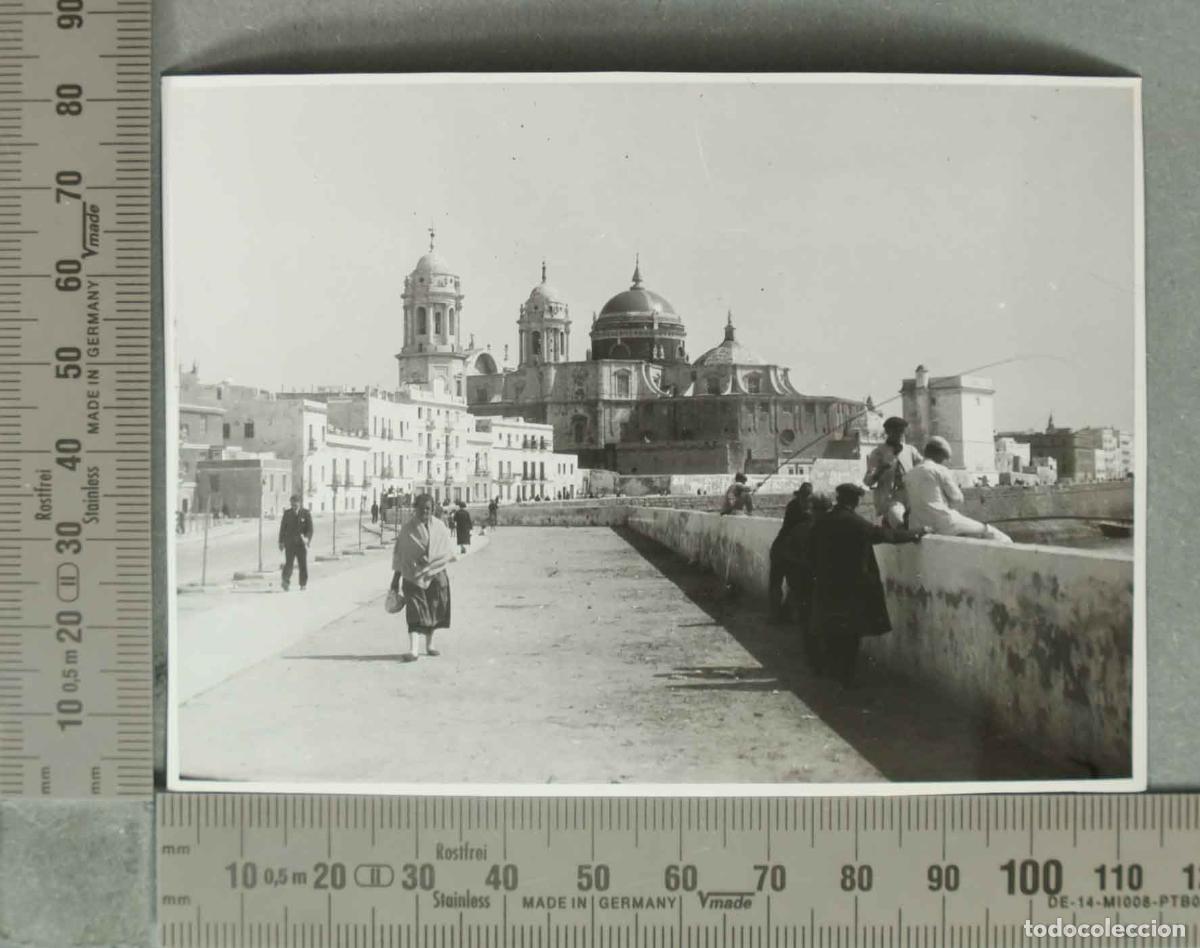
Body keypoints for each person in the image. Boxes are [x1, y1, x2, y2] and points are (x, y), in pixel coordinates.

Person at [806, 483, 926, 686]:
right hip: (851, 586)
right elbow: (885, 535)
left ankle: (831, 671)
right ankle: (845, 677)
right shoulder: (853, 521)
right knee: (850, 633)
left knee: (832, 630)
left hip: (827, 584)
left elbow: (810, 552)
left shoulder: (822, 521)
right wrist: (916, 532)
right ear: (854, 501)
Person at [905, 437, 1013, 543]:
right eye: (945, 458)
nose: (945, 462)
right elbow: (958, 499)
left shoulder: (909, 474)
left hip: (917, 526)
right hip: (944, 523)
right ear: (939, 455)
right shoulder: (939, 470)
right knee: (991, 532)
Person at [390, 493, 455, 662]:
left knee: (433, 609)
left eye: (428, 508)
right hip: (412, 576)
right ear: (415, 509)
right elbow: (400, 556)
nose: (425, 511)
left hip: (436, 574)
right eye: (421, 508)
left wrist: (431, 559)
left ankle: (430, 645)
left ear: (432, 509)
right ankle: (413, 650)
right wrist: (395, 581)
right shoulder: (407, 530)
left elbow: (446, 550)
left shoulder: (440, 526)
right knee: (414, 611)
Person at [778, 492, 832, 635]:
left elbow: (787, 552)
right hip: (808, 577)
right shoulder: (805, 529)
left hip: (808, 578)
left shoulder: (803, 528)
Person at [863, 417, 923, 528]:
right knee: (898, 521)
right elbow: (868, 481)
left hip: (910, 496)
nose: (900, 435)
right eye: (896, 431)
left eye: (902, 431)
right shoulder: (878, 452)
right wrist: (880, 470)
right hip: (890, 498)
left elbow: (923, 466)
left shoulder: (910, 450)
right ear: (888, 432)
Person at [767, 483, 814, 620]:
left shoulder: (795, 505)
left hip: (782, 548)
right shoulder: (802, 511)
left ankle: (778, 615)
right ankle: (780, 614)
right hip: (788, 551)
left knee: (781, 584)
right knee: (789, 584)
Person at [278, 494, 313, 591]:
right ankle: (285, 582)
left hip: (301, 544)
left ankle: (303, 583)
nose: (294, 506)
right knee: (289, 564)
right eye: (292, 504)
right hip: (290, 544)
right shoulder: (287, 514)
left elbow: (310, 529)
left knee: (302, 564)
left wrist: (307, 538)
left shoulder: (305, 513)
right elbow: (282, 529)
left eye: (296, 504)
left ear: (299, 503)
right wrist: (281, 542)